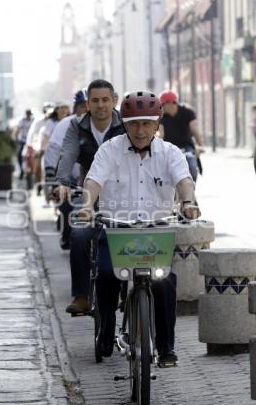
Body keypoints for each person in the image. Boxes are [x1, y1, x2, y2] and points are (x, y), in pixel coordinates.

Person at [78, 90, 201, 366]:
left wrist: (188, 202)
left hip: (155, 231)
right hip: (116, 229)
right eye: (134, 123)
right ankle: (106, 325)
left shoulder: (170, 153)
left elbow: (184, 181)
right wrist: (87, 206)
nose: (141, 130)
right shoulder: (110, 150)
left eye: (147, 123)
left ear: (157, 124)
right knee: (108, 275)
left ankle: (166, 347)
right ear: (124, 124)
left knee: (165, 282)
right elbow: (94, 181)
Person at [55, 79, 126, 314]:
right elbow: (67, 154)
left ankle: (130, 289)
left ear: (114, 101)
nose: (101, 105)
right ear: (88, 103)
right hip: (87, 192)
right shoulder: (77, 126)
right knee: (78, 233)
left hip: (122, 193)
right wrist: (63, 183)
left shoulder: (125, 124)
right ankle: (82, 295)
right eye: (95, 100)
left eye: (106, 100)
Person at [44, 89, 88, 249]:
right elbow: (54, 148)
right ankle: (66, 232)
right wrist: (50, 173)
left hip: (96, 178)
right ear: (76, 107)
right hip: (70, 178)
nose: (87, 109)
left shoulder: (108, 124)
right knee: (66, 206)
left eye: (91, 104)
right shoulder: (65, 125)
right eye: (83, 106)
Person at [158, 90, 204, 182]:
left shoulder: (187, 112)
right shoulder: (161, 115)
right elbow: (161, 134)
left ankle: (191, 189)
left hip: (186, 146)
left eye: (162, 105)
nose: (161, 107)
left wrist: (200, 146)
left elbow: (195, 130)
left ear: (170, 103)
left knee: (192, 167)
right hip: (169, 148)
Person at [14, 109, 33, 179]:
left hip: (31, 142)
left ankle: (31, 170)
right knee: (19, 155)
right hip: (22, 141)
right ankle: (22, 170)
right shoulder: (22, 121)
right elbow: (17, 130)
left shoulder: (33, 121)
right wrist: (16, 139)